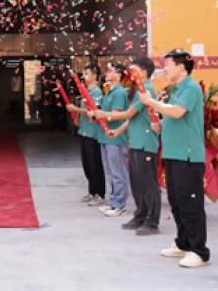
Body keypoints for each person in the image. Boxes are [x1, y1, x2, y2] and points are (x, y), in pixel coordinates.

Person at [139, 49, 210, 268]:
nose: (164, 69)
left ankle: (199, 251)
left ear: (181, 67)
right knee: (176, 202)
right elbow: (174, 117)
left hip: (187, 157)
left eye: (167, 65)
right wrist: (161, 125)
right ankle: (183, 243)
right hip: (172, 154)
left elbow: (178, 112)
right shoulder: (176, 90)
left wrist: (151, 102)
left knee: (190, 203)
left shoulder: (191, 88)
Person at [95, 57, 160, 235]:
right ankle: (140, 215)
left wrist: (104, 114)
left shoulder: (146, 90)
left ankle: (152, 221)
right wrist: (118, 131)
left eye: (134, 70)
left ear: (144, 72)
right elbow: (133, 118)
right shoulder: (139, 90)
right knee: (137, 183)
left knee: (148, 184)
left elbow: (128, 113)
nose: (130, 74)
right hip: (136, 141)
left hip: (146, 142)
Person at [88, 62, 129, 217]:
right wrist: (96, 115)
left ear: (118, 75)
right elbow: (104, 113)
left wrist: (100, 114)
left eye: (110, 70)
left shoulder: (119, 93)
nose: (107, 72)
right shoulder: (109, 91)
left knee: (118, 173)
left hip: (115, 138)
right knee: (111, 173)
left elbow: (116, 114)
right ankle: (113, 202)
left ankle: (119, 204)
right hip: (105, 137)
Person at [65, 64, 106, 207]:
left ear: (94, 75)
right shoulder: (85, 91)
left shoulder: (97, 92)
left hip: (93, 133)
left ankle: (100, 193)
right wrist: (77, 117)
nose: (84, 76)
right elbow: (85, 110)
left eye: (87, 73)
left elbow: (94, 111)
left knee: (95, 164)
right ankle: (92, 191)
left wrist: (75, 109)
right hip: (84, 131)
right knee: (87, 164)